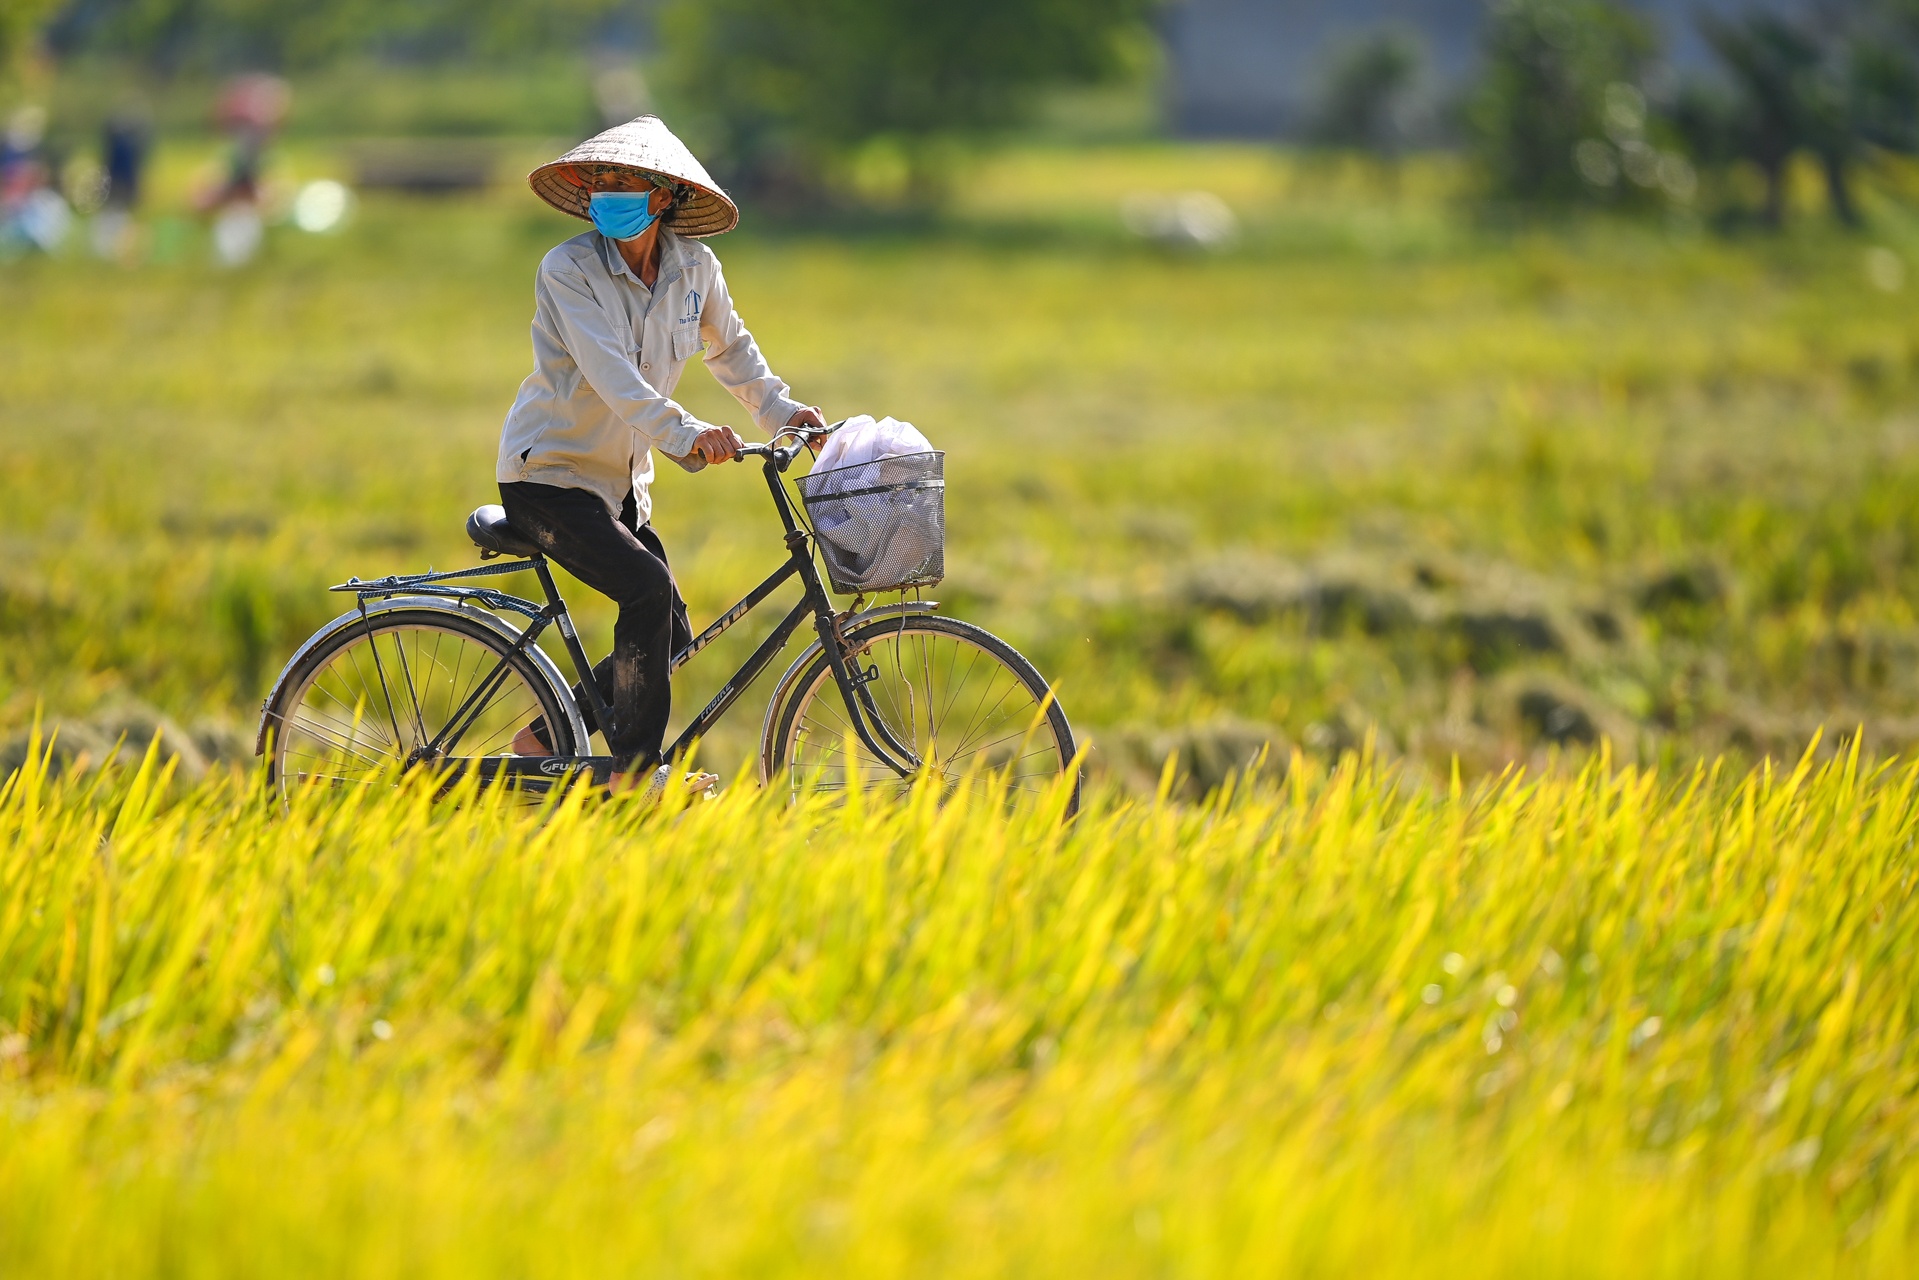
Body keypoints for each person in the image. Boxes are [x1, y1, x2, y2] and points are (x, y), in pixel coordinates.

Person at [497, 115, 825, 790]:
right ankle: (636, 775)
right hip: (547, 479)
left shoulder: (696, 269)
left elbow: (732, 351)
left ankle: (540, 740)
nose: (607, 192)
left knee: (671, 631)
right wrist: (687, 434)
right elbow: (612, 375)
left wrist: (783, 412)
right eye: (600, 180)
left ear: (663, 195)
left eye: (623, 181)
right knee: (644, 589)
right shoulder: (568, 269)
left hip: (620, 487)